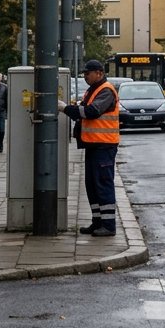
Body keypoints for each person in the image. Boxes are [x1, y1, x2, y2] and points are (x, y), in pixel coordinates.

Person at [60, 60, 120, 237]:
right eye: (84, 73)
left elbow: (91, 112)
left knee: (103, 184)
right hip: (94, 144)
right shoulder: (92, 89)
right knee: (92, 185)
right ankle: (97, 221)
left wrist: (65, 109)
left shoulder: (106, 90)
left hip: (104, 145)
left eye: (88, 73)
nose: (85, 76)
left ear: (99, 73)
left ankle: (108, 225)